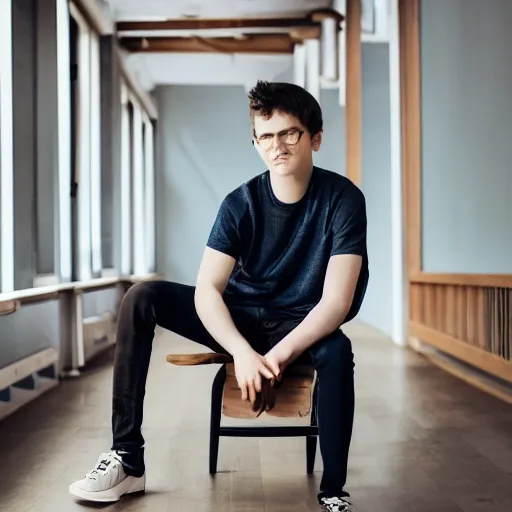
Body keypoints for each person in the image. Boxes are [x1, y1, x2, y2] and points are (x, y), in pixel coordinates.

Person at [69, 80, 368, 512]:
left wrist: (277, 357)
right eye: (265, 136)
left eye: (289, 133)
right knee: (141, 297)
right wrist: (243, 354)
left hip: (302, 321)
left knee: (338, 351)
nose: (276, 145)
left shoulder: (343, 200)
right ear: (255, 143)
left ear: (315, 138)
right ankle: (127, 459)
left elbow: (336, 302)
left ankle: (334, 489)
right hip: (241, 317)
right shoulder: (240, 203)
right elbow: (208, 289)